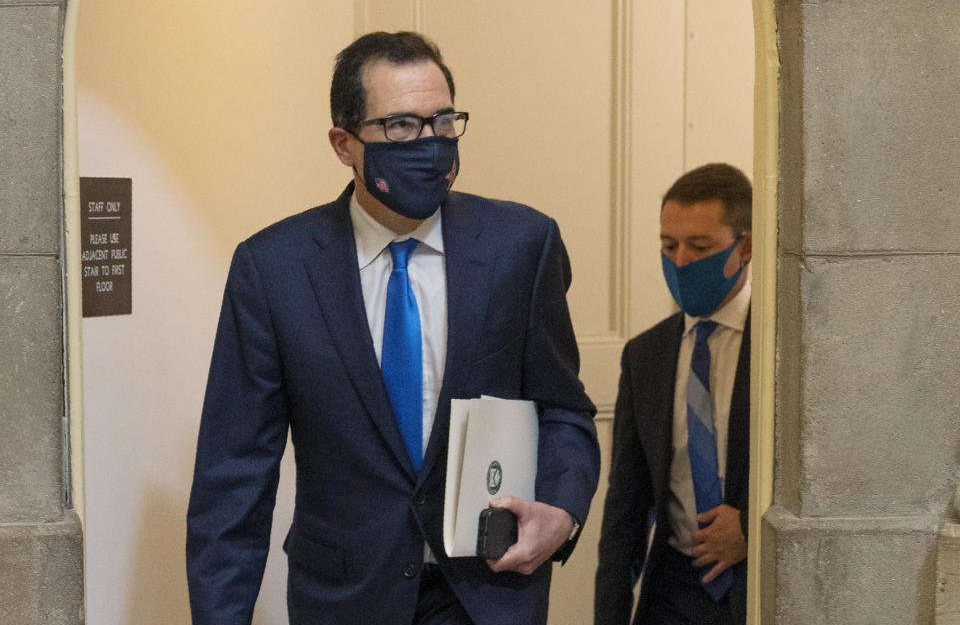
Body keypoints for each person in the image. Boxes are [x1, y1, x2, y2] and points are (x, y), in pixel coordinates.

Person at [186, 31, 600, 625]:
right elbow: (234, 472)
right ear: (343, 143)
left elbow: (564, 411)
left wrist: (562, 510)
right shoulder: (273, 269)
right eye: (401, 127)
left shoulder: (521, 246)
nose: (429, 143)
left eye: (442, 121)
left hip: (488, 593)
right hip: (345, 599)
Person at [595, 163, 752, 625]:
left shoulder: (783, 347)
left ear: (745, 246)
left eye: (699, 247)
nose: (680, 261)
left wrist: (755, 530)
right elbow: (626, 501)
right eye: (669, 246)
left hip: (756, 588)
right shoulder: (645, 355)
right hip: (673, 594)